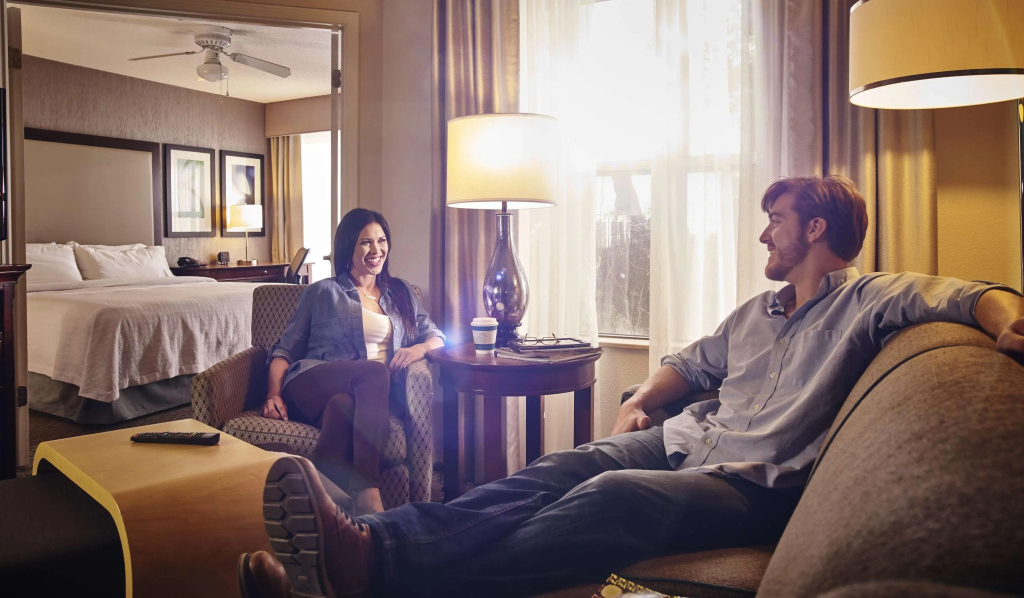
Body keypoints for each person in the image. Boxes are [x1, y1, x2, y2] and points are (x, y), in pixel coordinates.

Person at [238, 176, 1024, 598]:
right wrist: (645, 399)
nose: (764, 232)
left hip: (749, 482)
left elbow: (966, 294)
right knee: (560, 467)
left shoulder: (867, 300)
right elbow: (694, 360)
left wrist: (1009, 319)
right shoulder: (758, 311)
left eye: (776, 219)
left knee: (608, 495)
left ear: (816, 228)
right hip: (684, 441)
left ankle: (374, 565)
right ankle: (372, 545)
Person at [262, 208, 445, 518]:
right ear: (348, 246)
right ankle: (367, 492)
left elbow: (438, 336)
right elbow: (285, 350)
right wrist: (273, 394)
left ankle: (320, 510)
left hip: (364, 398)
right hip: (310, 383)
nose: (376, 250)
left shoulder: (401, 293)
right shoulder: (322, 292)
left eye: (381, 240)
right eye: (365, 242)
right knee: (374, 372)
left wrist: (420, 349)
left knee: (343, 407)